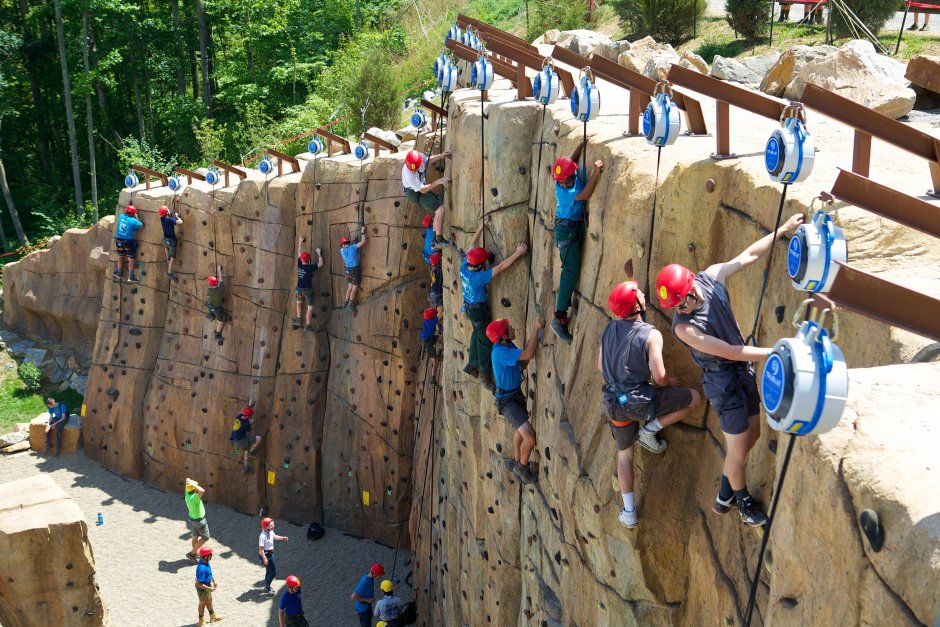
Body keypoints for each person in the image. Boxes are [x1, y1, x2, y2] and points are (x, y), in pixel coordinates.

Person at [656, 213, 804, 528]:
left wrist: (782, 230)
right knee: (737, 452)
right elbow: (730, 352)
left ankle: (725, 492)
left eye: (682, 302)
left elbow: (748, 255)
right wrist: (776, 352)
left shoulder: (710, 276)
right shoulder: (684, 328)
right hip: (724, 384)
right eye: (676, 307)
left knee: (753, 434)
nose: (680, 310)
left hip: (742, 372)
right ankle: (742, 501)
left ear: (692, 286)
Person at [598, 281, 702, 529]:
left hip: (614, 401)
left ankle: (629, 512)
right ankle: (648, 430)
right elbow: (660, 377)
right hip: (640, 401)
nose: (644, 293)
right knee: (694, 399)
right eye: (640, 293)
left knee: (624, 456)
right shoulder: (651, 334)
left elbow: (601, 367)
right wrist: (669, 382)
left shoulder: (609, 329)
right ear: (636, 304)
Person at [460, 217, 529, 392]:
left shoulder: (464, 267)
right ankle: (484, 373)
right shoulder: (478, 278)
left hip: (469, 308)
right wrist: (518, 253)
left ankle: (472, 362)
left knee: (476, 334)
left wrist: (481, 225)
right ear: (481, 265)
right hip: (478, 310)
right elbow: (501, 267)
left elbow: (471, 244)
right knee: (485, 341)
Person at [550, 141, 604, 343]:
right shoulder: (565, 192)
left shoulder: (566, 176)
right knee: (570, 272)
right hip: (568, 231)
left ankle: (562, 309)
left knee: (570, 270)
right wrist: (596, 172)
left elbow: (570, 162)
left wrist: (581, 146)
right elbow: (586, 194)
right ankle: (559, 316)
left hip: (569, 229)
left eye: (566, 180)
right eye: (561, 182)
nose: (563, 184)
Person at [487, 316, 544, 484]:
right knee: (530, 437)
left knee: (520, 430)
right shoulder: (500, 351)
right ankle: (523, 467)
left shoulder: (507, 345)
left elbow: (523, 362)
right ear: (503, 336)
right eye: (509, 329)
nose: (512, 329)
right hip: (507, 402)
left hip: (513, 395)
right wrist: (535, 330)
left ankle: (517, 459)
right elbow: (528, 355)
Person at [404, 149, 452, 250]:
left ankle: (434, 241)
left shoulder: (419, 157)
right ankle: (439, 241)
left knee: (437, 208)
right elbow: (423, 190)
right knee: (440, 209)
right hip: (414, 192)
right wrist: (438, 181)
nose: (414, 170)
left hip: (419, 188)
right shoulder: (409, 175)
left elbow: (427, 161)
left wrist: (441, 155)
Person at [293, 235, 323, 332]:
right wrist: (319, 254)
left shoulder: (299, 265)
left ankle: (298, 319)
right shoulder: (310, 267)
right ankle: (308, 325)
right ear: (309, 260)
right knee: (310, 308)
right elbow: (321, 264)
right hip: (307, 290)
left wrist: (300, 242)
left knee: (299, 303)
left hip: (299, 289)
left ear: (301, 260)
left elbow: (299, 253)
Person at [113, 204, 143, 283]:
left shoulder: (121, 216)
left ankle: (119, 273)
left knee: (120, 256)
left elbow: (125, 211)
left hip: (119, 241)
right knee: (131, 259)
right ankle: (131, 277)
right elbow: (141, 226)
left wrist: (129, 204)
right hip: (128, 242)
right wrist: (137, 217)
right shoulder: (134, 221)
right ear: (133, 214)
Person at [258, 517, 289, 595]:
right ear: (265, 527)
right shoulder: (262, 536)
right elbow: (260, 549)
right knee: (273, 572)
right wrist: (264, 559)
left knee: (268, 570)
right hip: (265, 555)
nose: (273, 526)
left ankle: (266, 585)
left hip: (271, 554)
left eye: (273, 525)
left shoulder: (271, 532)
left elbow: (274, 537)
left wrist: (282, 538)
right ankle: (267, 587)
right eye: (271, 525)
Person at [340, 227, 367, 313]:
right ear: (349, 243)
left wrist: (350, 241)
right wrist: (363, 233)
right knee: (355, 287)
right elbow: (363, 242)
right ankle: (350, 304)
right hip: (354, 270)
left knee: (350, 287)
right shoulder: (353, 247)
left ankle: (345, 302)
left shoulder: (342, 250)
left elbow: (345, 245)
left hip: (347, 270)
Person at [184, 478, 211, 564]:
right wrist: (194, 484)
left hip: (192, 520)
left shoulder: (187, 494)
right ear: (194, 488)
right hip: (200, 521)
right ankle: (191, 553)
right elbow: (202, 491)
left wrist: (190, 483)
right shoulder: (195, 497)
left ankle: (195, 554)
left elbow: (187, 479)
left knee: (195, 536)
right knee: (205, 537)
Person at [195, 546, 223, 624]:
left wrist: (214, 581)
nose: (211, 556)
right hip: (202, 587)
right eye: (210, 554)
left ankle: (212, 617)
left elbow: (209, 572)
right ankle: (201, 621)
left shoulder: (206, 561)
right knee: (202, 603)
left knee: (209, 600)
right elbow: (198, 584)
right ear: (206, 556)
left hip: (207, 584)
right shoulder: (201, 568)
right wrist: (209, 588)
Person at [230, 402, 262, 473]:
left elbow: (244, 419)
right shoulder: (246, 423)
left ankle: (246, 468)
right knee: (259, 438)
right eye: (250, 416)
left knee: (246, 449)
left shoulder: (238, 416)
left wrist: (249, 406)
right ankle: (252, 451)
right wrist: (249, 423)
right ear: (248, 416)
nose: (250, 417)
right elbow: (249, 430)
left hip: (234, 441)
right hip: (240, 442)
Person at [351, 563, 385, 627]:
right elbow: (353, 596)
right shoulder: (365, 582)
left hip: (367, 607)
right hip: (363, 610)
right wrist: (368, 600)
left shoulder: (370, 578)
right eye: (380, 576)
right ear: (375, 575)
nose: (380, 577)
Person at [205, 265, 230, 346]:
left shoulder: (209, 290)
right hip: (217, 309)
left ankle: (210, 315)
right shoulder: (221, 288)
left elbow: (211, 289)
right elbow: (221, 280)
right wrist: (219, 270)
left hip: (210, 307)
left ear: (209, 284)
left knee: (209, 303)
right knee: (223, 318)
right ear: (217, 282)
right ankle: (218, 334)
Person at [159, 205, 183, 281]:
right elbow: (180, 222)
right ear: (167, 212)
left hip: (165, 239)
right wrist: (178, 216)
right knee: (173, 257)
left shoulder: (162, 219)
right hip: (171, 241)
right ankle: (169, 273)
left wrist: (171, 214)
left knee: (166, 246)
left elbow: (168, 217)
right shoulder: (169, 220)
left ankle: (167, 257)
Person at [420, 307, 441, 386]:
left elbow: (437, 319)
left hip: (428, 339)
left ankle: (438, 355)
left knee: (439, 335)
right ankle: (433, 381)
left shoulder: (427, 321)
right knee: (435, 361)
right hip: (427, 343)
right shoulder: (432, 322)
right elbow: (440, 316)